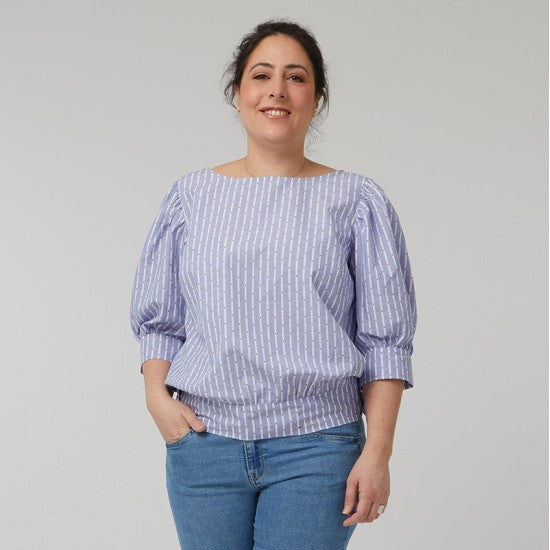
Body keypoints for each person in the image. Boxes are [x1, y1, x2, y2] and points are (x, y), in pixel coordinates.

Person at [129, 18, 417, 550]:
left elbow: (385, 342)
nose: (277, 90)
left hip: (318, 448)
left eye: (296, 77)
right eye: (261, 75)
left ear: (317, 97)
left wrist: (378, 452)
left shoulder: (356, 201)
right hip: (204, 446)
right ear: (237, 92)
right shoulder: (191, 198)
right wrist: (157, 400)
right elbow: (160, 321)